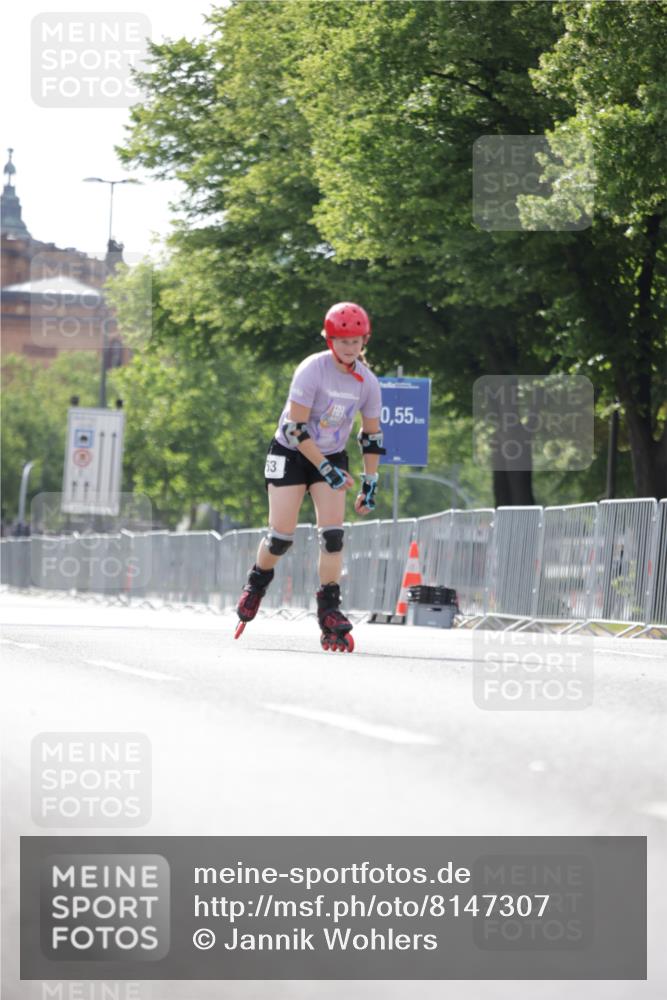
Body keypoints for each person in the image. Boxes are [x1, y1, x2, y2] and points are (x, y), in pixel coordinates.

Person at [235, 301, 385, 651]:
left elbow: (372, 436)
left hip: (331, 454)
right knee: (281, 538)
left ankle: (329, 608)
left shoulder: (368, 382)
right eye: (343, 341)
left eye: (356, 341)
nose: (350, 348)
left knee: (333, 536)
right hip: (291, 452)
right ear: (329, 339)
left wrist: (371, 481)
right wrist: (327, 470)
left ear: (365, 341)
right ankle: (257, 581)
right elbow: (295, 430)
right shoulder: (312, 370)